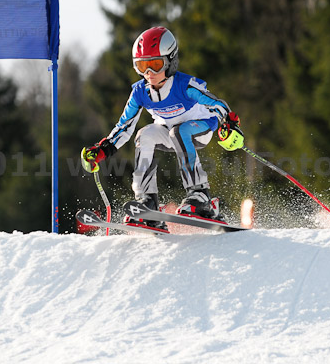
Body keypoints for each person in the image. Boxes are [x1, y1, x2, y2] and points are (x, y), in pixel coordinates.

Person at [81, 26, 243, 230]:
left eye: (156, 65)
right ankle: (147, 201)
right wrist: (103, 149)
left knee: (180, 131)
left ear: (170, 61)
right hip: (169, 133)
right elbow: (124, 126)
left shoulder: (184, 85)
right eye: (142, 66)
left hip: (200, 129)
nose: (149, 73)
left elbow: (217, 104)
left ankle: (199, 194)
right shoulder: (140, 92)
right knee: (144, 134)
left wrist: (228, 123)